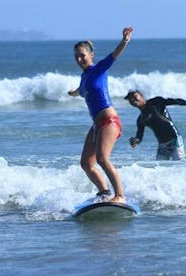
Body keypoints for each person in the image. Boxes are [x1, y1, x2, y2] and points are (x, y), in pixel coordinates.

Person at [68, 27, 133, 203]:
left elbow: (115, 55)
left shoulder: (99, 69)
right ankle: (104, 192)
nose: (79, 59)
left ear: (91, 55)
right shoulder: (84, 78)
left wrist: (125, 40)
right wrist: (72, 93)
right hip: (97, 125)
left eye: (82, 55)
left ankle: (120, 196)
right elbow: (80, 91)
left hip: (109, 121)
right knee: (86, 164)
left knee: (102, 158)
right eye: (76, 56)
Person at [124, 90, 186, 160]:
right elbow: (139, 136)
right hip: (162, 144)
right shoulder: (141, 119)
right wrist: (135, 140)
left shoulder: (156, 102)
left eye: (134, 96)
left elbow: (172, 101)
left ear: (141, 96)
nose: (133, 100)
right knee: (160, 168)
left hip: (174, 139)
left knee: (180, 165)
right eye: (130, 100)